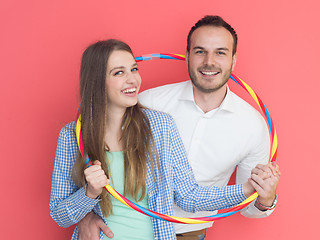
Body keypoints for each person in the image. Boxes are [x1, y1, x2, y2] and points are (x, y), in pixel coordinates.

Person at [77, 16, 280, 240]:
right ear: (187, 57)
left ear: (233, 60)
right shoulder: (149, 103)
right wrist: (85, 213)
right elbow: (95, 148)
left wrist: (265, 198)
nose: (209, 61)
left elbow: (246, 205)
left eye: (220, 52)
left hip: (190, 234)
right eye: (200, 51)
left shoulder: (253, 126)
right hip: (123, 230)